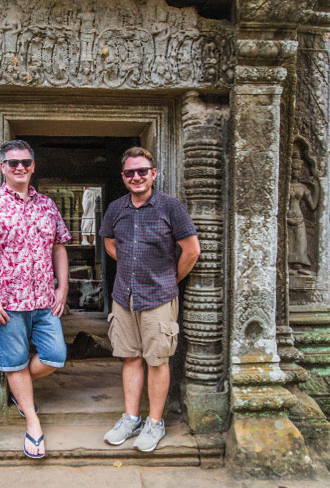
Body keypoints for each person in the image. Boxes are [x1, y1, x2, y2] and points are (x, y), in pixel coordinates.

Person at [0, 139, 70, 459]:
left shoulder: (47, 206)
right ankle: (33, 422)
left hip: (43, 300)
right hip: (7, 303)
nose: (20, 167)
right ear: (3, 168)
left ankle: (17, 383)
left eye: (25, 162)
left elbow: (59, 247)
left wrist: (62, 288)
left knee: (55, 356)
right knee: (14, 363)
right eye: (13, 163)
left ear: (33, 166)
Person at [99, 146, 200, 452]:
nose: (136, 177)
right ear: (123, 177)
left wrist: (170, 277)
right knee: (130, 356)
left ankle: (154, 423)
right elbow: (109, 242)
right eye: (130, 172)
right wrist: (132, 267)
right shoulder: (117, 208)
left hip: (159, 297)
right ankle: (131, 418)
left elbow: (191, 250)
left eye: (142, 171)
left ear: (153, 174)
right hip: (123, 296)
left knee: (157, 360)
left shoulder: (171, 207)